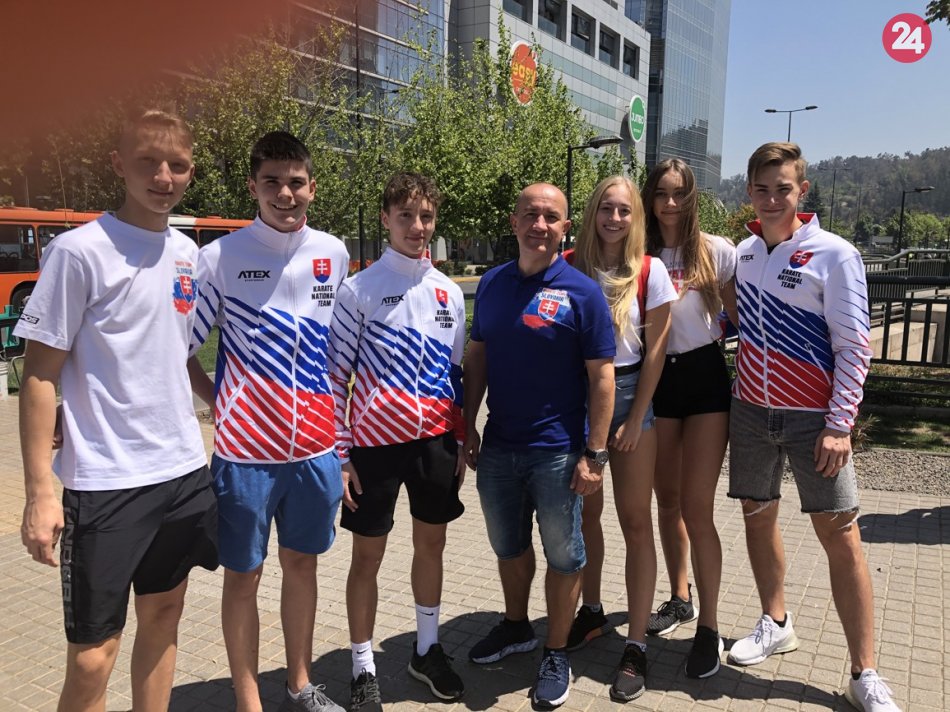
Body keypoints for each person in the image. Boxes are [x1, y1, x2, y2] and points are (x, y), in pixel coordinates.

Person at [16, 108, 219, 712]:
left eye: (177, 165)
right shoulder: (78, 252)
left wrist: (219, 400)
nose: (163, 177)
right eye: (147, 162)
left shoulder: (187, 253)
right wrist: (40, 492)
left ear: (191, 171)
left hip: (182, 473)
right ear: (117, 165)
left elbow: (175, 351)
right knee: (92, 657)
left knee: (164, 615)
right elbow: (38, 374)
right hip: (105, 483)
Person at [726, 142, 901, 712]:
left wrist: (840, 424)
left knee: (841, 536)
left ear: (802, 191)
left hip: (816, 421)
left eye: (783, 188)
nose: (772, 198)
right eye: (762, 188)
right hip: (751, 411)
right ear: (749, 191)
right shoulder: (744, 253)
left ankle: (864, 672)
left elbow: (854, 346)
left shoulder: (835, 254)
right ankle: (775, 623)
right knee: (757, 518)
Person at [188, 131, 348, 712]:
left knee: (302, 566)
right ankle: (248, 699)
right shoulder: (220, 258)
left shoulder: (334, 252)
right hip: (245, 457)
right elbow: (180, 346)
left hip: (315, 452)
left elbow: (337, 353)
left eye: (296, 182)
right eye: (272, 182)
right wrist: (218, 402)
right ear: (253, 186)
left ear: (312, 187)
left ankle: (300, 684)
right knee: (244, 576)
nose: (285, 194)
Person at [463, 183, 615, 709]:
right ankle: (515, 626)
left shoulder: (583, 293)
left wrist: (595, 454)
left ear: (565, 228)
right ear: (514, 222)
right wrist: (467, 425)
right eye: (531, 214)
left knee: (564, 555)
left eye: (551, 217)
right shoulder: (492, 284)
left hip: (558, 452)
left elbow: (602, 377)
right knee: (508, 547)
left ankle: (556, 650)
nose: (540, 225)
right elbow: (477, 357)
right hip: (500, 446)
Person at [327, 173, 467, 711]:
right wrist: (341, 456)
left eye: (426, 216)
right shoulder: (357, 290)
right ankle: (362, 666)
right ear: (386, 218)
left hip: (435, 445)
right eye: (405, 215)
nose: (417, 226)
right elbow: (334, 377)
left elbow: (454, 376)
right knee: (368, 556)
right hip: (373, 449)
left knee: (432, 546)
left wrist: (458, 439)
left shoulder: (448, 292)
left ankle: (427, 649)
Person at [565, 176, 677, 701]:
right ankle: (590, 611)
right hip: (579, 393)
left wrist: (635, 419)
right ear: (593, 212)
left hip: (632, 395)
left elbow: (656, 351)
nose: (614, 218)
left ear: (637, 218)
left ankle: (635, 643)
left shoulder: (650, 271)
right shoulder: (569, 265)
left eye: (625, 210)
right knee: (584, 515)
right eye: (606, 208)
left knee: (635, 520)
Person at [639, 159, 739, 678]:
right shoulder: (639, 250)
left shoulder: (716, 250)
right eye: (661, 193)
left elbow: (743, 320)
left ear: (693, 196)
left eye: (679, 193)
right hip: (657, 379)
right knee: (667, 500)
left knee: (698, 508)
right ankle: (680, 598)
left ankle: (709, 628)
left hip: (704, 378)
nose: (670, 204)